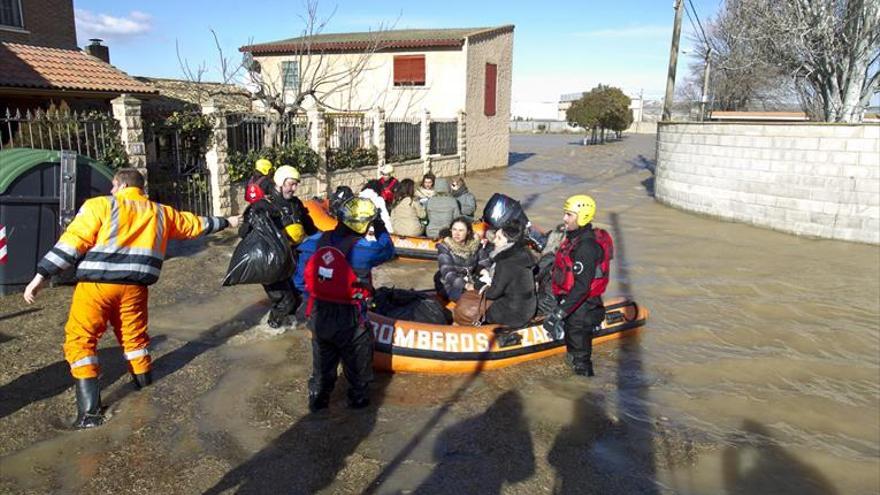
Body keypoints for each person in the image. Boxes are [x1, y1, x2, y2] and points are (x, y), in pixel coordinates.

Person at [22, 168, 241, 429]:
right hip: (135, 288)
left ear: (119, 184)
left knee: (81, 341)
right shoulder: (161, 212)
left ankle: (90, 414)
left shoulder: (100, 206)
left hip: (97, 286)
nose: (111, 191)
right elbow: (195, 225)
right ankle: (143, 389)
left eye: (113, 187)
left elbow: (74, 241)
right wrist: (229, 221)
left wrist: (42, 275)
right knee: (134, 338)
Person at [296, 198, 395, 411]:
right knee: (358, 371)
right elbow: (388, 249)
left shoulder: (314, 242)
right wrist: (380, 226)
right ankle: (358, 408)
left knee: (321, 369)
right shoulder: (364, 251)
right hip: (351, 318)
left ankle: (317, 405)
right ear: (365, 224)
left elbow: (299, 281)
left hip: (318, 315)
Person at [240, 165, 317, 330]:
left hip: (289, 259)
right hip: (270, 262)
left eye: (296, 184)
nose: (294, 188)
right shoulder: (263, 205)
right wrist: (254, 217)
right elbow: (243, 233)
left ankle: (287, 329)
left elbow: (312, 230)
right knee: (285, 301)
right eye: (291, 184)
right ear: (280, 182)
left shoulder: (296, 204)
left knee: (296, 298)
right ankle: (270, 331)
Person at [543, 195, 611, 377]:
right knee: (572, 352)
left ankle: (583, 390)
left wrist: (559, 313)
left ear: (583, 217)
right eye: (565, 214)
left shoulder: (585, 247)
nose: (564, 219)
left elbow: (581, 287)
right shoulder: (574, 240)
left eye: (569, 215)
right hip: (573, 305)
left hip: (582, 309)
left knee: (581, 359)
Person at [475, 219, 537, 328]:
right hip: (528, 308)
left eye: (499, 238)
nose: (495, 241)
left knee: (478, 310)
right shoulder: (522, 255)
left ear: (508, 242)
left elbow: (493, 293)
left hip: (513, 313)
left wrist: (477, 285)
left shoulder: (505, 262)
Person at [435, 217, 490, 301]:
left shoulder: (475, 244)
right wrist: (467, 285)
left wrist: (483, 271)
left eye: (461, 230)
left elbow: (484, 262)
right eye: (454, 230)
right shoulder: (444, 247)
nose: (456, 233)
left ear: (468, 232)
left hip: (472, 280)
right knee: (472, 299)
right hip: (450, 285)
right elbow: (448, 274)